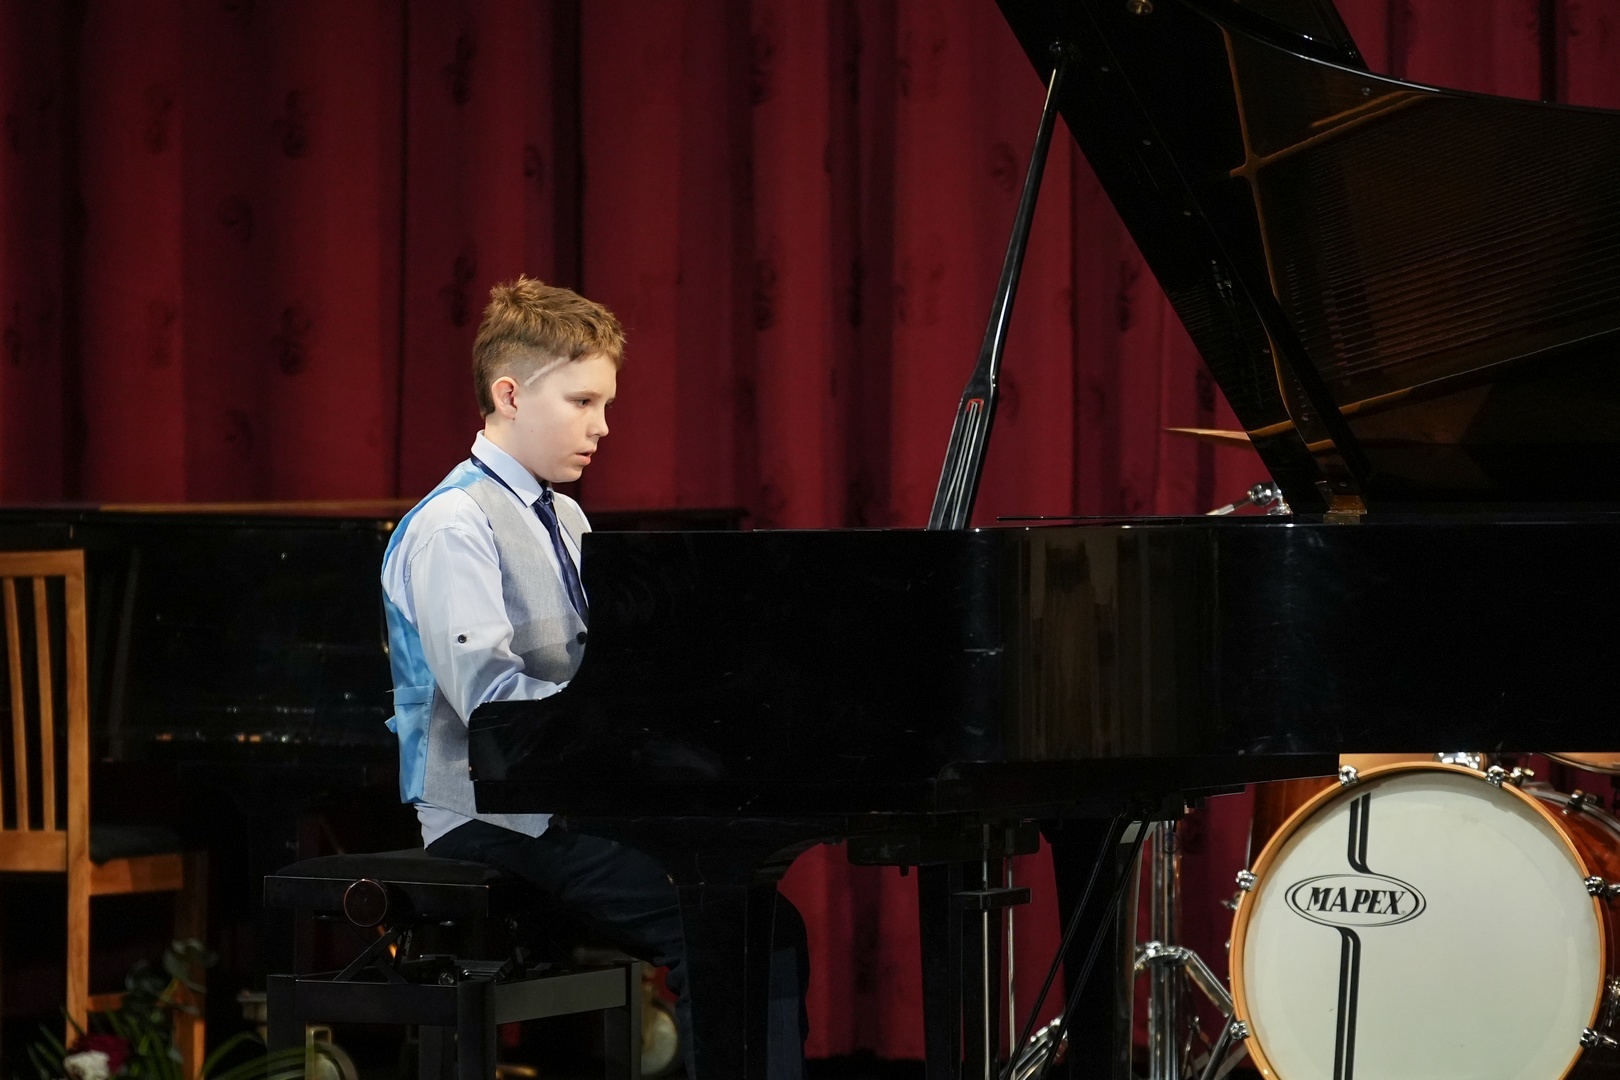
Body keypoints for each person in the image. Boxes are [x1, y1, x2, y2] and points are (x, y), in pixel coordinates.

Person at [380, 276, 807, 1078]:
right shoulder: (452, 526)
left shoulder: (565, 516)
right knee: (731, 927)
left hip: (565, 797)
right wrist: (623, 749)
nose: (602, 426)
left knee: (760, 919)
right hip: (492, 815)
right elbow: (494, 704)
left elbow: (595, 670)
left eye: (604, 404)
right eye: (582, 402)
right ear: (510, 394)